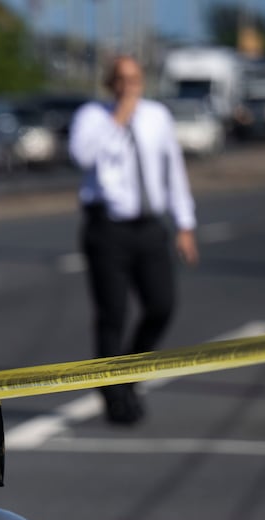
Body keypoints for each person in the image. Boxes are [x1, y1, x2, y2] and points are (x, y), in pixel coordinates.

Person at [69, 54, 199, 424]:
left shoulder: (157, 117)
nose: (130, 87)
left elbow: (173, 170)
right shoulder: (93, 118)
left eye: (136, 80)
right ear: (111, 84)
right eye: (122, 80)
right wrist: (119, 118)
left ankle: (128, 375)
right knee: (113, 314)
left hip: (149, 227)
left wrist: (185, 225)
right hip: (107, 228)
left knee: (161, 305)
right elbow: (82, 155)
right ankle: (114, 398)